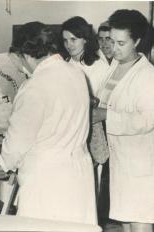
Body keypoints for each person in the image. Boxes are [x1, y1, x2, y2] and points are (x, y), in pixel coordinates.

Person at [0, 21, 97, 224]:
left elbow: (17, 143)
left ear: (24, 55)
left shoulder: (34, 86)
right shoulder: (76, 73)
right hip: (77, 172)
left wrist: (5, 164)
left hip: (46, 177)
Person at [94, 9, 154, 232]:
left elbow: (147, 119)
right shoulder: (115, 66)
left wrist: (105, 114)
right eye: (110, 41)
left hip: (140, 158)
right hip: (120, 156)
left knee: (140, 220)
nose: (113, 48)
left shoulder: (147, 75)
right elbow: (108, 100)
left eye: (120, 43)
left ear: (137, 41)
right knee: (125, 217)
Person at [61, 16, 110, 193]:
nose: (69, 44)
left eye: (74, 39)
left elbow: (105, 101)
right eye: (65, 40)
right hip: (68, 128)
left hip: (92, 127)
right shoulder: (64, 64)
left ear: (85, 39)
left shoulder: (98, 66)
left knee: (91, 181)